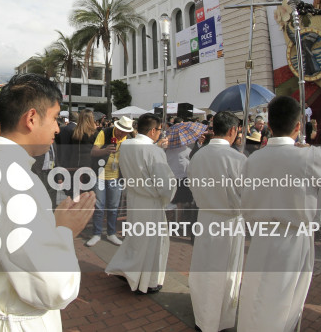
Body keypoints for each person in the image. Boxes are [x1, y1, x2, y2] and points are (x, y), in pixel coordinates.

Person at [0, 73, 95, 330]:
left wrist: (53, 224)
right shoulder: (8, 175)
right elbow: (52, 285)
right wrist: (65, 230)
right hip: (18, 320)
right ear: (31, 118)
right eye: (54, 118)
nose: (57, 128)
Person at [237, 96, 321, 332]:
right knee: (284, 301)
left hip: (261, 237)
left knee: (256, 292)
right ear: (299, 126)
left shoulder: (253, 159)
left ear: (269, 125)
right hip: (292, 237)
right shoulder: (305, 156)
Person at [188, 111, 246, 332]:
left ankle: (203, 315)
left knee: (204, 267)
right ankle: (217, 320)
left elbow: (192, 185)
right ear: (232, 130)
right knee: (225, 272)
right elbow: (247, 195)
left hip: (205, 217)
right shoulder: (238, 159)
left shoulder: (198, 156)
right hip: (229, 221)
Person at [105, 113, 175, 293]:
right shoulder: (154, 151)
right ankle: (146, 280)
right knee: (151, 242)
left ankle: (127, 268)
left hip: (134, 197)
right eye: (159, 130)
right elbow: (165, 184)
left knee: (136, 238)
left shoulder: (126, 145)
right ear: (152, 131)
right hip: (150, 201)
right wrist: (166, 198)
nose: (160, 133)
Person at [85, 115, 134, 247]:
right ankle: (96, 234)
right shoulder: (105, 133)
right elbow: (93, 152)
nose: (121, 134)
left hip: (116, 177)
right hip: (100, 176)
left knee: (113, 207)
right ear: (116, 127)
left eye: (124, 132)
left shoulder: (129, 140)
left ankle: (111, 233)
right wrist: (105, 150)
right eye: (119, 131)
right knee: (99, 206)